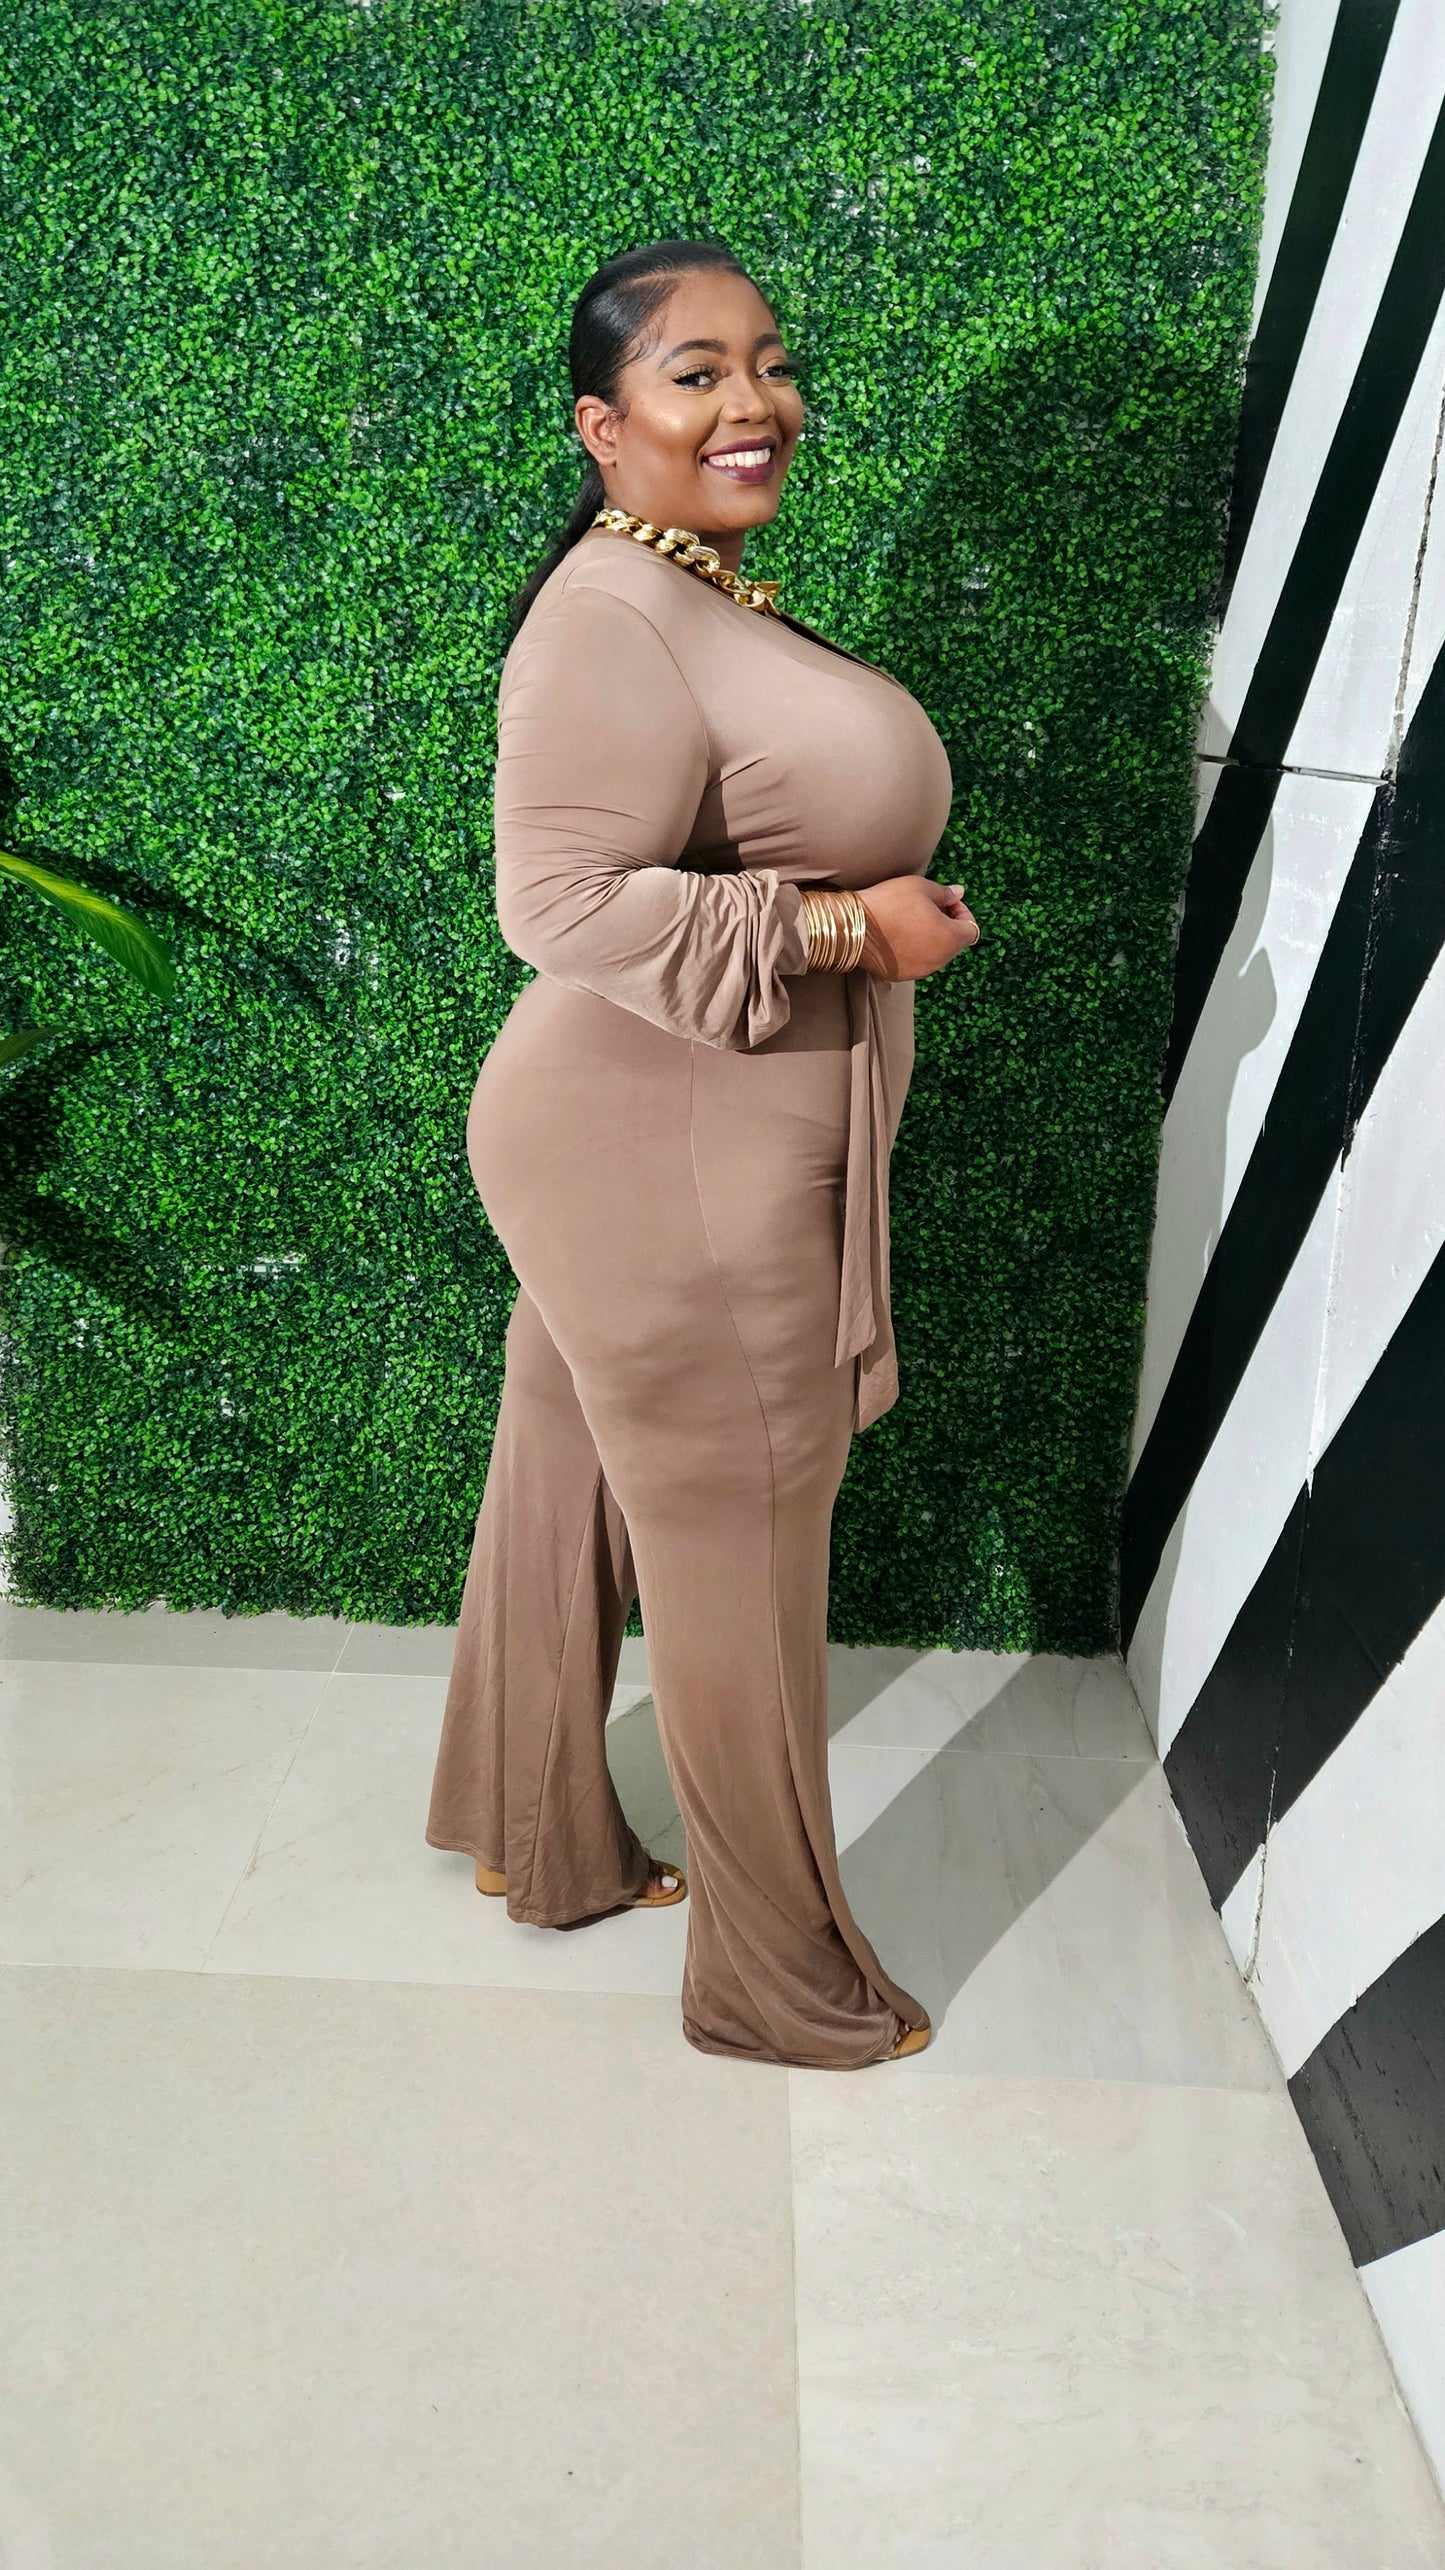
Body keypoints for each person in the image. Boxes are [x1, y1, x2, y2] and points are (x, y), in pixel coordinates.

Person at [426, 238, 979, 2069]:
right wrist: (845, 928)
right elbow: (556, 898)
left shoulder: (687, 585)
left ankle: (536, 1836)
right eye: (695, 373)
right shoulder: (610, 611)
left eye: (769, 362)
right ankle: (773, 1976)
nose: (754, 403)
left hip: (669, 1119)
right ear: (605, 426)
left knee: (570, 1460)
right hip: (658, 1139)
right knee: (744, 1525)